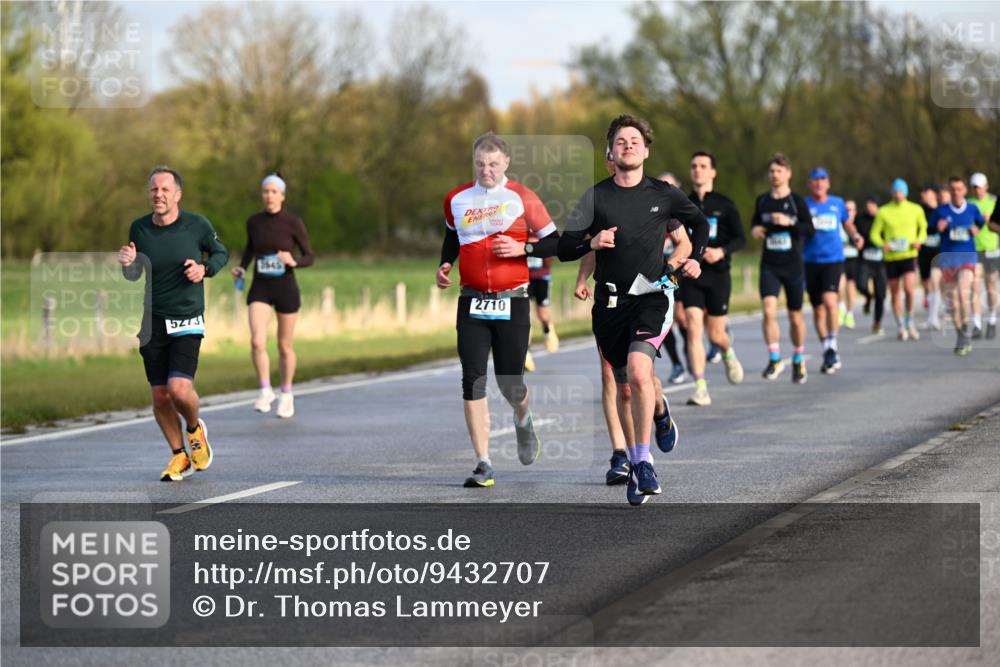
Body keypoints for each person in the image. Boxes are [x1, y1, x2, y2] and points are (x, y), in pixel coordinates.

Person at [558, 114, 707, 505]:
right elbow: (565, 247)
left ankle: (641, 462)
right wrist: (591, 246)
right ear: (610, 151)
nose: (628, 146)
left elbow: (698, 227)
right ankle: (658, 413)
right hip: (610, 304)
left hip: (653, 297)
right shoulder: (595, 197)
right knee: (626, 386)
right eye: (620, 141)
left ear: (646, 149)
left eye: (634, 140)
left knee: (640, 372)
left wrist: (688, 261)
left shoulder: (664, 194)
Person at [437, 132, 559, 488]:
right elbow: (451, 237)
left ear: (505, 162)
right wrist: (445, 264)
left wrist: (523, 249)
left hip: (513, 301)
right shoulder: (456, 199)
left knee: (511, 384)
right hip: (471, 300)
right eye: (479, 164)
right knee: (472, 379)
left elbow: (555, 241)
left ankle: (523, 420)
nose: (486, 170)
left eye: (492, 164)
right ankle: (483, 462)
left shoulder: (523, 197)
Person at [118, 166, 229, 481]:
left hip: (187, 318)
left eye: (165, 189)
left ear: (178, 194)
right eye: (154, 189)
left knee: (180, 391)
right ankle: (179, 455)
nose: (159, 194)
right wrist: (128, 263)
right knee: (159, 396)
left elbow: (221, 253)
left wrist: (204, 269)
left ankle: (194, 430)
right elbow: (134, 274)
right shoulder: (139, 229)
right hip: (152, 321)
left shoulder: (197, 226)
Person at [232, 172, 315, 418]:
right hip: (260, 287)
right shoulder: (254, 222)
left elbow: (310, 256)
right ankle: (266, 390)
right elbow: (250, 249)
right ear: (262, 195)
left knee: (284, 346)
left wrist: (294, 261)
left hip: (286, 287)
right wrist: (242, 267)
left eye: (274, 192)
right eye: (266, 191)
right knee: (257, 340)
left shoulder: (293, 222)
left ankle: (287, 394)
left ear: (282, 195)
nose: (269, 196)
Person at [680, 151, 746, 406]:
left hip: (718, 275)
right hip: (691, 274)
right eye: (694, 166)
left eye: (703, 166)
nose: (697, 170)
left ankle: (727, 352)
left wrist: (721, 251)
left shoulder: (725, 204)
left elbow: (740, 238)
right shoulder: (683, 204)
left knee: (716, 334)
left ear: (712, 172)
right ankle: (700, 387)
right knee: (693, 326)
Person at [751, 153, 814, 384]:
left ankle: (798, 357)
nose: (774, 175)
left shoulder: (797, 202)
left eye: (779, 171)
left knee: (795, 317)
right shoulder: (762, 201)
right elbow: (755, 227)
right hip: (770, 265)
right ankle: (775, 357)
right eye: (772, 171)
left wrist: (790, 222)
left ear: (788, 173)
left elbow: (810, 230)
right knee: (768, 310)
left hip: (793, 265)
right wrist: (756, 231)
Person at [803, 167, 862, 374]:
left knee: (830, 301)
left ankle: (833, 346)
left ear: (828, 183)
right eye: (815, 180)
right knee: (818, 309)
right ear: (810, 184)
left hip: (833, 260)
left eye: (822, 180)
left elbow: (848, 225)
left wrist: (855, 236)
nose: (819, 183)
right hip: (810, 262)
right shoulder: (804, 205)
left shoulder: (837, 204)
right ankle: (827, 348)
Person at [931, 176, 985, 354]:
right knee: (953, 302)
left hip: (967, 258)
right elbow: (930, 229)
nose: (956, 192)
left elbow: (981, 222)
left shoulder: (972, 209)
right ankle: (962, 333)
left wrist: (976, 229)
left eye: (959, 189)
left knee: (963, 293)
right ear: (949, 191)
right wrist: (938, 227)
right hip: (948, 260)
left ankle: (966, 328)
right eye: (952, 189)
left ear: (965, 191)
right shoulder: (941, 210)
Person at [870, 178, 927, 341]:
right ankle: (901, 325)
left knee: (909, 288)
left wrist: (919, 240)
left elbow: (923, 228)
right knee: (895, 292)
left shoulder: (915, 209)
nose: (898, 194)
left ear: (906, 192)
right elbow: (874, 233)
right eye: (895, 191)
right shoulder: (884, 211)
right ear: (892, 193)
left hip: (909, 255)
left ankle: (910, 320)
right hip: (892, 257)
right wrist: (882, 244)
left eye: (901, 191)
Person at [657, 171, 689, 384]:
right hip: (661, 272)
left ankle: (690, 351)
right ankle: (677, 363)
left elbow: (688, 241)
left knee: (682, 317)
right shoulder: (653, 210)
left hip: (682, 270)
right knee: (664, 318)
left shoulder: (684, 211)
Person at [968, 172, 998, 339]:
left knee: (991, 287)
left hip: (991, 249)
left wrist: (990, 221)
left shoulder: (994, 202)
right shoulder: (969, 204)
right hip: (974, 249)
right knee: (974, 287)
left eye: (979, 187)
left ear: (986, 186)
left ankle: (992, 320)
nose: (977, 190)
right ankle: (977, 324)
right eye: (974, 188)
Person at [855, 195, 888, 335]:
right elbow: (854, 235)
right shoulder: (860, 218)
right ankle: (868, 297)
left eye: (873, 204)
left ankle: (877, 323)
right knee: (860, 285)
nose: (870, 207)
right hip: (865, 259)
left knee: (880, 294)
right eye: (868, 204)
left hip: (881, 261)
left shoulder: (884, 219)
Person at [918, 184, 944, 330]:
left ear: (934, 194)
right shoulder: (919, 211)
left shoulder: (941, 211)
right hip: (923, 252)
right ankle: (931, 316)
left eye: (926, 191)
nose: (923, 194)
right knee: (926, 284)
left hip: (938, 251)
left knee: (935, 281)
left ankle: (934, 317)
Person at [839, 199, 860, 329]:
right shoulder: (838, 223)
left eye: (851, 209)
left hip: (853, 259)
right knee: (839, 286)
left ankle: (850, 313)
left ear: (855, 212)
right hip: (840, 258)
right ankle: (840, 307)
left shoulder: (858, 225)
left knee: (851, 287)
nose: (848, 212)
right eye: (846, 209)